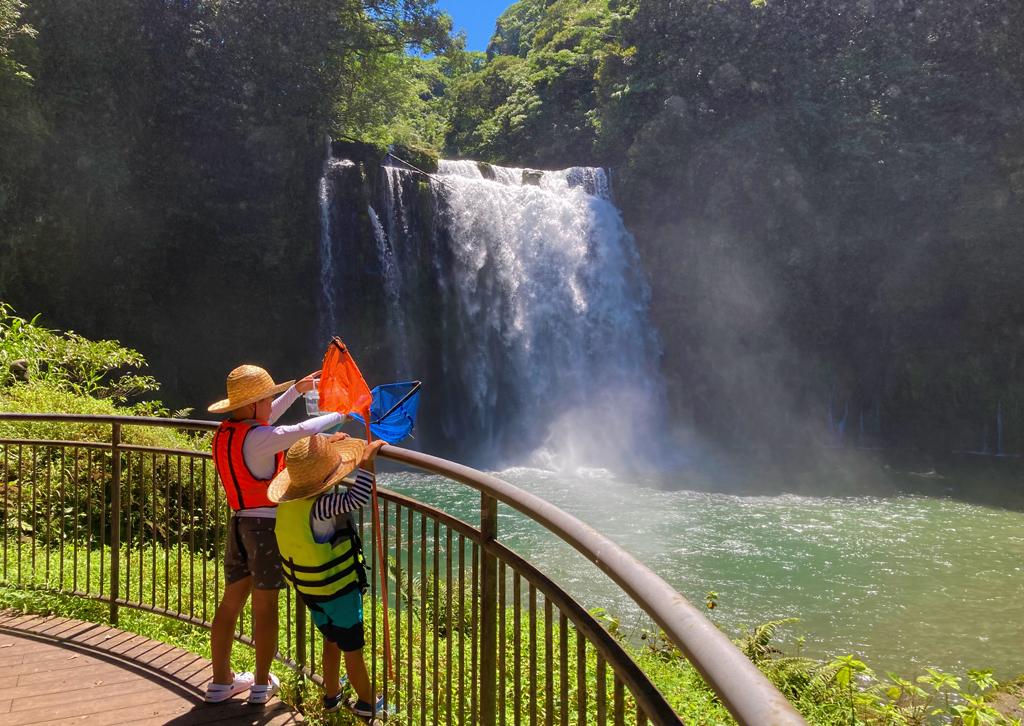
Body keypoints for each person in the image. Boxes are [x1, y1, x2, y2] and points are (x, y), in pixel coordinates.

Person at [204, 364, 347, 705]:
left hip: (238, 524)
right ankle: (261, 684)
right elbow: (298, 430)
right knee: (265, 606)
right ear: (252, 405)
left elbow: (268, 421)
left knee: (231, 602)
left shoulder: (228, 432)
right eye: (266, 399)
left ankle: (221, 681)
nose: (270, 404)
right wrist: (342, 413)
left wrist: (296, 391)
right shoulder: (260, 439)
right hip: (265, 528)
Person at [268, 432, 388, 718]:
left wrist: (327, 446)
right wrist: (367, 462)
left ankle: (331, 694)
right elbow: (357, 496)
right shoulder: (322, 507)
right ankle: (367, 703)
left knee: (331, 642)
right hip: (339, 593)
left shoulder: (289, 505)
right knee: (353, 649)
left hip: (313, 593)